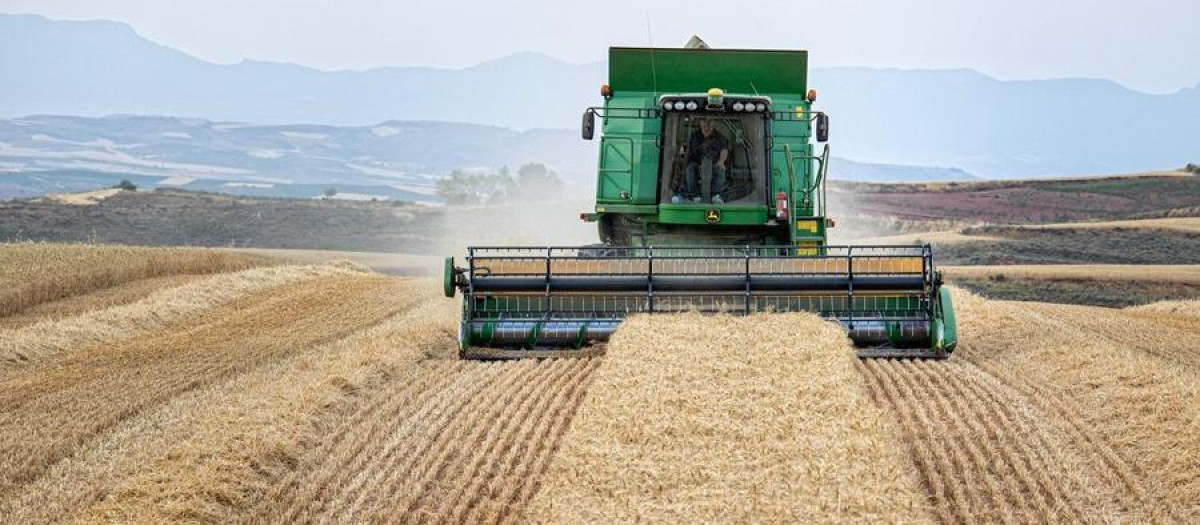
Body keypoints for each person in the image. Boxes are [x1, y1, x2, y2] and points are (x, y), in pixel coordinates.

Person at [683, 118, 728, 204]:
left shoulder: (719, 137)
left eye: (709, 124)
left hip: (713, 164)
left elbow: (724, 150)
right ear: (700, 123)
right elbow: (686, 147)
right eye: (704, 124)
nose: (706, 127)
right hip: (697, 163)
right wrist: (683, 149)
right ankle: (695, 196)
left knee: (721, 168)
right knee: (690, 168)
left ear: (713, 124)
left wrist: (721, 161)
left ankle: (716, 195)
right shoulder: (694, 136)